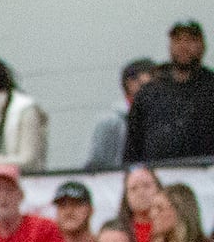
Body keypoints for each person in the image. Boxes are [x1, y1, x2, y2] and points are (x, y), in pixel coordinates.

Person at [125, 21, 214, 163]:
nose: (183, 46)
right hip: (159, 177)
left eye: (190, 40)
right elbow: (133, 146)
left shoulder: (210, 88)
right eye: (177, 40)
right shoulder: (150, 92)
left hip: (205, 177)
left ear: (202, 45)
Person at [86, 60, 157, 171]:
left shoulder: (155, 118)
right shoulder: (110, 121)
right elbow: (95, 161)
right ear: (130, 83)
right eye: (148, 85)